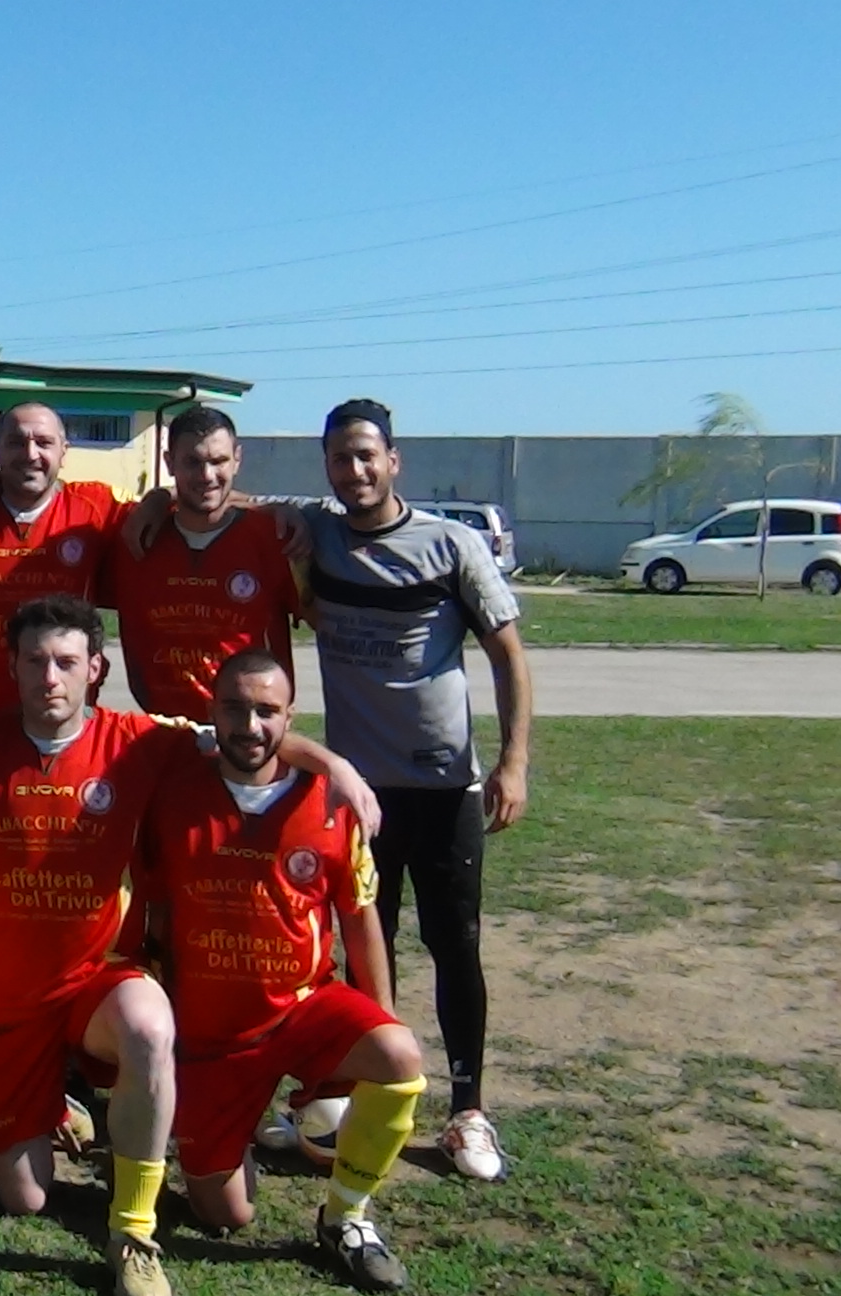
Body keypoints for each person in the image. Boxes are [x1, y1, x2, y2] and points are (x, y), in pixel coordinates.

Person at [0, 596, 376, 1296]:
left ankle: (132, 1231)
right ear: (10, 667)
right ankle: (68, 1110)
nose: (51, 677)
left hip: (98, 980)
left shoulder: (139, 741)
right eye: (36, 661)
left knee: (147, 1024)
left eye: (67, 662)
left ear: (95, 670)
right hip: (12, 1001)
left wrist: (332, 764)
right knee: (24, 1199)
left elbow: (245, 731)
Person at [299, 397, 532, 1182]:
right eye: (340, 458)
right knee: (362, 949)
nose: (355, 470)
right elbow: (218, 494)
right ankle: (370, 1092)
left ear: (394, 460)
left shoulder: (451, 544)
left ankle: (467, 1109)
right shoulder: (318, 534)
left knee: (453, 945)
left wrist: (513, 763)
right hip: (358, 797)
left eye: (368, 455)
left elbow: (508, 656)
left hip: (443, 790)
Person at [147, 648, 424, 1292]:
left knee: (398, 1057)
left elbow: (360, 920)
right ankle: (241, 1130)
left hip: (303, 1008)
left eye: (267, 712)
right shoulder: (171, 785)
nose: (251, 726)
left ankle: (347, 1218)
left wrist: (379, 1017)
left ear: (290, 716)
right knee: (226, 1216)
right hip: (213, 1039)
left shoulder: (330, 803)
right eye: (235, 709)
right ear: (211, 712)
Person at [0, 403, 137, 719]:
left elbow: (173, 517)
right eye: (15, 442)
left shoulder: (97, 508)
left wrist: (164, 500)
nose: (30, 453)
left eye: (44, 442)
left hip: (66, 723)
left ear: (64, 450)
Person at [99, 405, 303, 718]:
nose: (206, 476)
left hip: (247, 732)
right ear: (169, 463)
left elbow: (325, 621)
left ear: (237, 459)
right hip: (162, 733)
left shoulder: (274, 537)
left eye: (218, 461)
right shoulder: (133, 536)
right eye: (192, 462)